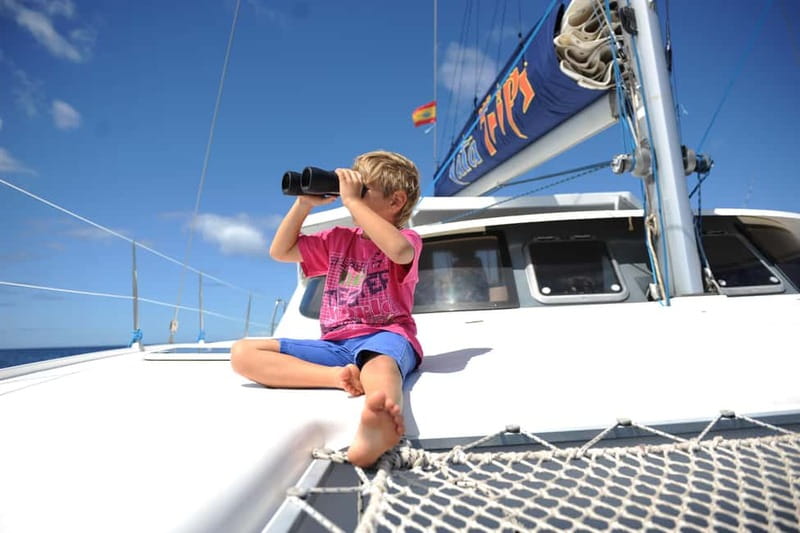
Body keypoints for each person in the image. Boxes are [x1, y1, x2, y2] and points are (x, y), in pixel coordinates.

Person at [230, 150, 423, 468]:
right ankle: (338, 378)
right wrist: (303, 204)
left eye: (363, 189)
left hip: (384, 335)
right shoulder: (338, 240)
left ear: (395, 201)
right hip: (335, 346)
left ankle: (379, 425)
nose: (351, 193)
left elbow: (400, 252)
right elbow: (281, 251)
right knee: (243, 353)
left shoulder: (407, 237)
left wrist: (353, 203)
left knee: (381, 367)